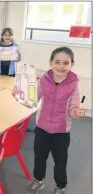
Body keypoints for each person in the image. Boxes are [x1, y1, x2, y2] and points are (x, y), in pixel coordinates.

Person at [13, 47, 85, 194]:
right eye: (57, 62)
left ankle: (61, 186)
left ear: (71, 64)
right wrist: (18, 94)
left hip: (61, 131)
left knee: (60, 162)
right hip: (42, 128)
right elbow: (33, 100)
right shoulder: (44, 79)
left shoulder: (74, 83)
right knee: (39, 157)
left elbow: (73, 110)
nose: (61, 66)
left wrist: (77, 113)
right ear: (50, 63)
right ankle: (38, 180)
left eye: (66, 63)